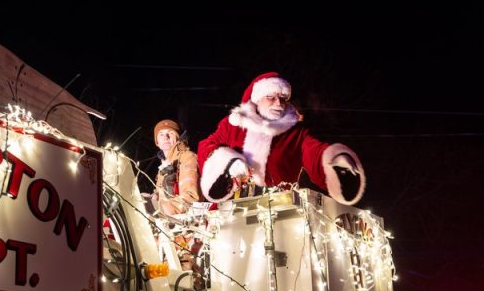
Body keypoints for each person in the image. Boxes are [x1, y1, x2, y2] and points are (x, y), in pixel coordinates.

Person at [197, 72, 364, 205]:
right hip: (234, 208)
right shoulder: (233, 125)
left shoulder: (295, 133)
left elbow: (314, 152)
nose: (278, 103)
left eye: (283, 99)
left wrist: (335, 162)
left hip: (281, 210)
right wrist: (228, 162)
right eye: (271, 97)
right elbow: (206, 146)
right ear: (257, 99)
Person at [151, 119, 200, 217]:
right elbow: (162, 196)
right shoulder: (164, 165)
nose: (166, 137)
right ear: (157, 142)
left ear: (178, 137)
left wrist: (160, 209)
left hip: (187, 223)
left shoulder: (187, 157)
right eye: (161, 134)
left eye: (171, 133)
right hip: (167, 221)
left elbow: (191, 197)